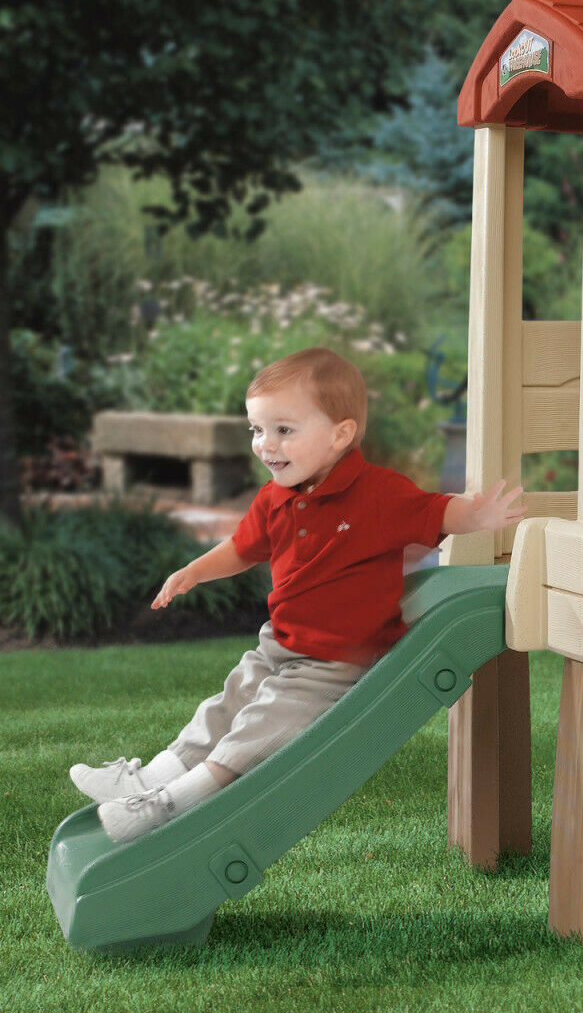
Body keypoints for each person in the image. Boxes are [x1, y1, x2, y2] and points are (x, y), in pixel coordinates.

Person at [71, 347, 527, 843]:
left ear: (341, 434)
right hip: (279, 645)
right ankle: (148, 778)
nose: (266, 445)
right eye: (257, 430)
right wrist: (194, 572)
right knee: (225, 707)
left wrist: (477, 517)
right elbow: (243, 548)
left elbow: (436, 511)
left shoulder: (378, 494)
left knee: (260, 729)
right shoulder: (275, 497)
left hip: (333, 661)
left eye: (284, 430)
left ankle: (167, 806)